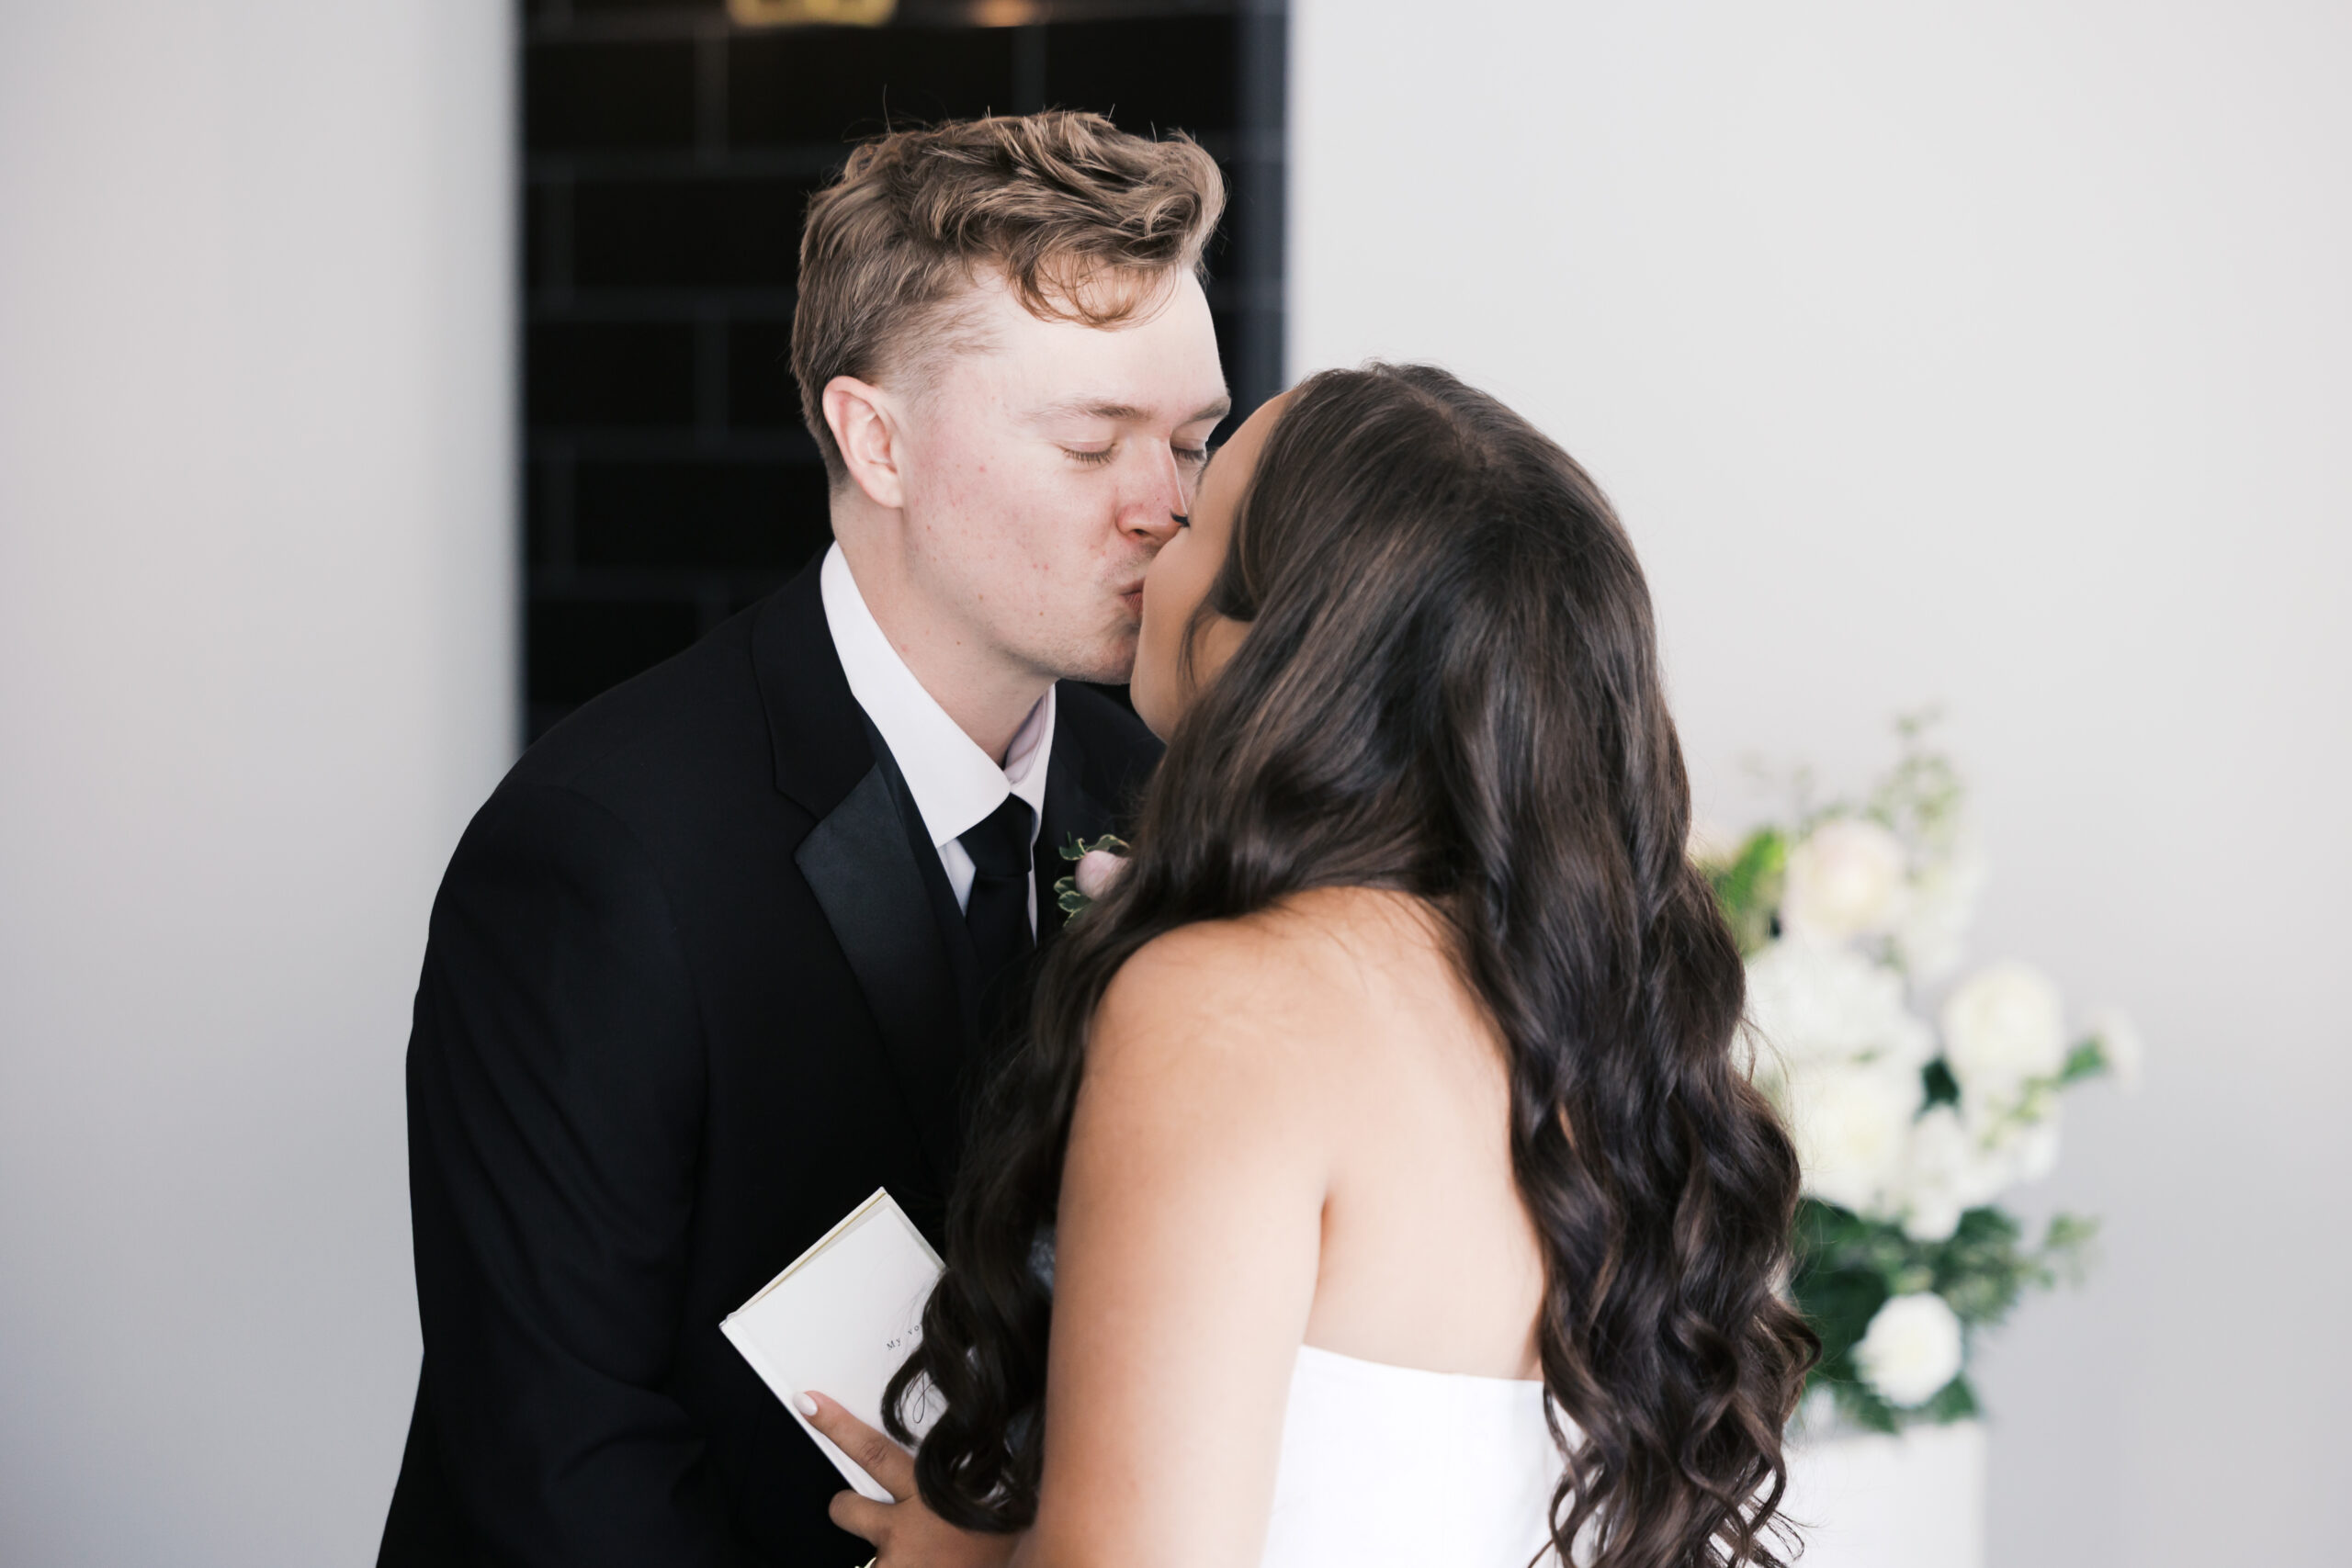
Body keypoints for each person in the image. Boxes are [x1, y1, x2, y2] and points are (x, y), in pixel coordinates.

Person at [376, 112, 1231, 1567]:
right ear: (875, 439)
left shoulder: (1173, 797)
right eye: (1095, 442)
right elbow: (559, 1449)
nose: (1171, 505)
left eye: (1195, 439)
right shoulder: (597, 852)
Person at [800, 365, 1820, 1567]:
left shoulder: (1230, 1010)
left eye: (1196, 513)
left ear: (1263, 649)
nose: (1148, 524)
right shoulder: (1604, 1016)